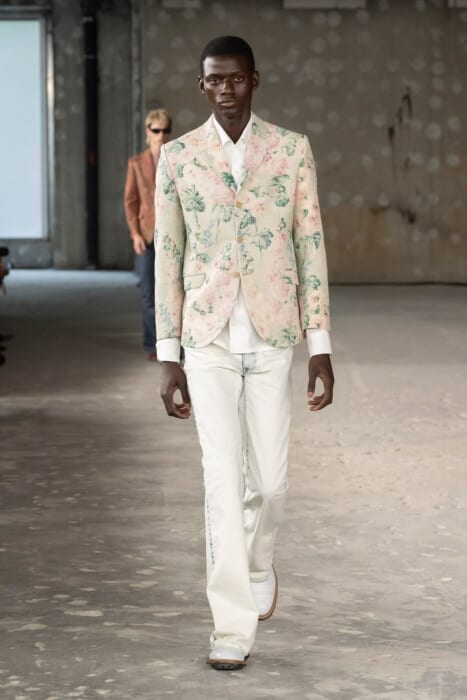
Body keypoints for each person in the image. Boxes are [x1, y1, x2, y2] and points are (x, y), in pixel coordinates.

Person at [154, 36, 334, 671]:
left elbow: (310, 244)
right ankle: (230, 625)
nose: (225, 90)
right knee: (221, 482)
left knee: (272, 484)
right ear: (202, 85)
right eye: (214, 80)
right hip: (206, 341)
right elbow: (168, 256)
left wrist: (320, 345)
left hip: (272, 334)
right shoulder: (177, 157)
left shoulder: (290, 150)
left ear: (255, 80)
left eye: (235, 78)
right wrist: (168, 354)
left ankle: (259, 563)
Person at [124, 109, 172, 360]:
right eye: (156, 130)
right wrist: (135, 234)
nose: (160, 135)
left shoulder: (177, 159)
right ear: (147, 132)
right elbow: (130, 201)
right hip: (146, 235)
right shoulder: (136, 163)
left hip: (172, 235)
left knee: (173, 293)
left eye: (165, 130)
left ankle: (174, 345)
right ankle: (154, 344)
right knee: (147, 292)